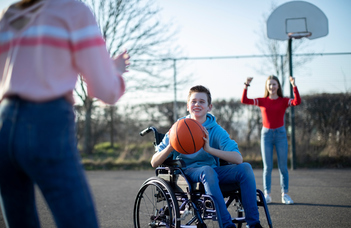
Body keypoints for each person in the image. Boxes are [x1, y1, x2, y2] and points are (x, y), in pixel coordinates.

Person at [0, 0, 129, 227]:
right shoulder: (72, 10)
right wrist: (114, 70)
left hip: (3, 123)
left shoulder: (8, 15)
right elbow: (103, 88)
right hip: (46, 122)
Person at [151, 85, 262, 228]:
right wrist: (171, 146)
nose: (197, 104)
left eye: (202, 102)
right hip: (187, 173)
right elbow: (154, 162)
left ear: (209, 107)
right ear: (187, 106)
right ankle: (227, 225)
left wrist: (209, 149)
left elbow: (238, 158)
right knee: (206, 170)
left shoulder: (216, 130)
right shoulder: (177, 129)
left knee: (245, 168)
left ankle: (254, 224)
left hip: (212, 172)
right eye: (193, 101)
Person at [241, 75, 301, 205]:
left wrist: (294, 85)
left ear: (278, 86)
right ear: (266, 87)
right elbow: (244, 100)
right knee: (267, 167)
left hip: (280, 135)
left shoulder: (284, 101)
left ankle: (285, 194)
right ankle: (267, 195)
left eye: (274, 84)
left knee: (283, 167)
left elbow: (297, 102)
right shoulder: (262, 101)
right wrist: (246, 85)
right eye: (269, 85)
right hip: (266, 135)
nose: (271, 87)